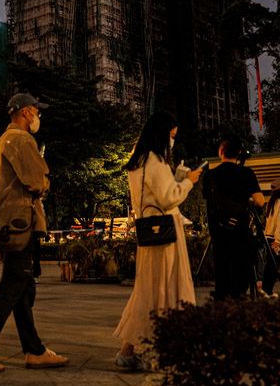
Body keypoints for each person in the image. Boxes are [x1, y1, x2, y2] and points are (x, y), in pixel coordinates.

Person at [0, 93, 68, 374]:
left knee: (23, 288)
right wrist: (45, 179)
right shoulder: (22, 140)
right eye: (36, 112)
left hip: (8, 222)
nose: (38, 118)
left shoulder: (1, 141)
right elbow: (37, 180)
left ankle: (34, 350)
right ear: (25, 113)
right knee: (12, 287)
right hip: (22, 222)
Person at [113, 111, 203, 369]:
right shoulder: (155, 161)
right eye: (171, 136)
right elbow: (168, 198)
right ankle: (164, 350)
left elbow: (154, 194)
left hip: (147, 233)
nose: (172, 141)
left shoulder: (137, 162)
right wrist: (187, 182)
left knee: (148, 291)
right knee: (167, 290)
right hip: (166, 236)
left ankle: (129, 349)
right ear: (162, 134)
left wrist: (175, 179)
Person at [203, 135, 264, 300]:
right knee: (241, 271)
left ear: (221, 152)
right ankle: (238, 301)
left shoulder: (210, 175)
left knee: (222, 272)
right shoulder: (246, 173)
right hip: (241, 231)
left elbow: (208, 201)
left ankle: (221, 302)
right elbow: (260, 201)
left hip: (219, 231)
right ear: (239, 153)